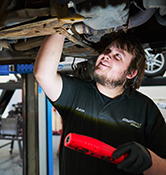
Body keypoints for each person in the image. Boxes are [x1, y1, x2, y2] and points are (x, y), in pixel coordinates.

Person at [33, 32, 166, 175]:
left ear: (131, 73)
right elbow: (43, 74)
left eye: (118, 55)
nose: (106, 55)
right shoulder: (76, 92)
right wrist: (61, 28)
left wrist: (150, 159)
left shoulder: (145, 108)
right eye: (107, 50)